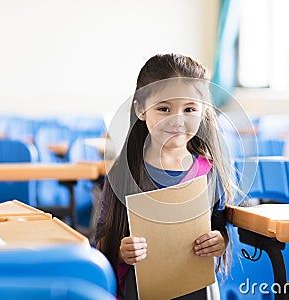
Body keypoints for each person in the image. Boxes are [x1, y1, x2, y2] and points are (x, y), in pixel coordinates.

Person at [95, 54, 232, 299]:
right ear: (141, 109)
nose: (177, 120)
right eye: (164, 109)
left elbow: (222, 227)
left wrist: (220, 241)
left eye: (189, 109)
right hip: (139, 291)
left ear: (203, 112)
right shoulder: (124, 172)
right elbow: (101, 240)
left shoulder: (210, 171)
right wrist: (120, 249)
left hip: (198, 291)